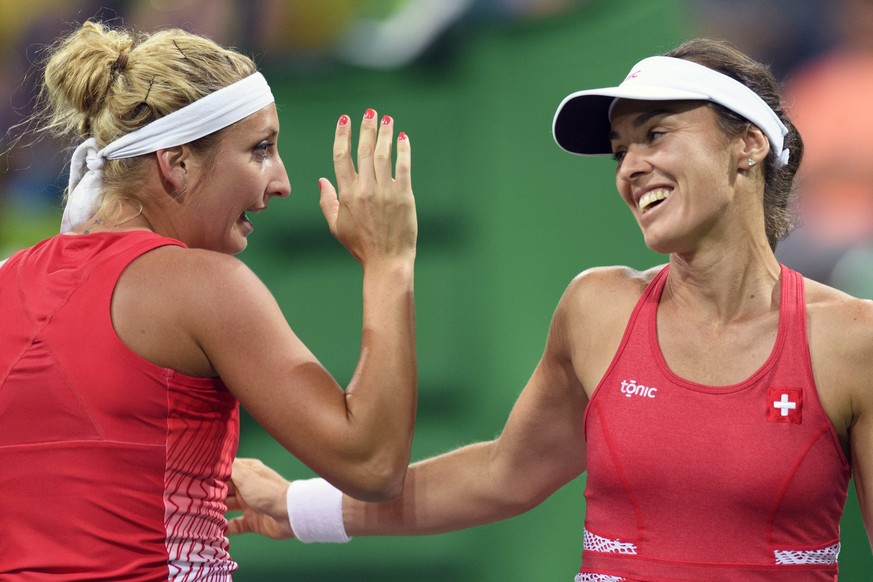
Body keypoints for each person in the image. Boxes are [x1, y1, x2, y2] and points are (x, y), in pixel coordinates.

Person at [227, 37, 873, 581]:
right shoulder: (597, 309)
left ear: (749, 145)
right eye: (621, 151)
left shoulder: (850, 341)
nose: (632, 168)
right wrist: (298, 506)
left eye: (655, 134)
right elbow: (499, 475)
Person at [0, 19, 417, 580]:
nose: (281, 181)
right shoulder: (206, 286)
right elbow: (372, 464)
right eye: (261, 150)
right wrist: (389, 266)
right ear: (178, 164)